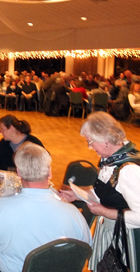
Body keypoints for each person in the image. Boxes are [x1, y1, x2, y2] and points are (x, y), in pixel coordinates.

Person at [0, 142, 92, 272]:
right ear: (50, 173)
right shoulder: (73, 213)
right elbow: (85, 248)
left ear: (18, 173)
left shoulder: (0, 208)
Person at [59, 112, 140, 271]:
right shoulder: (111, 160)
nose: (90, 147)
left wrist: (104, 211)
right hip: (110, 231)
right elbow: (103, 192)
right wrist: (78, 194)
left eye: (91, 142)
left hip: (125, 239)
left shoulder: (128, 171)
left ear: (106, 140)